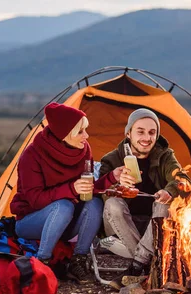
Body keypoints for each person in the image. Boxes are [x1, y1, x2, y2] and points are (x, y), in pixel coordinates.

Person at [10, 103, 124, 283]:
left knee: (94, 202)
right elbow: (35, 200)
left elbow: (87, 188)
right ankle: (42, 263)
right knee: (63, 206)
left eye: (85, 130)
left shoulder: (83, 150)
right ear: (64, 134)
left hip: (67, 221)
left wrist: (111, 177)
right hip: (30, 221)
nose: (86, 136)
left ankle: (78, 260)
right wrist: (72, 189)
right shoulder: (31, 156)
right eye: (80, 132)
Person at [99, 108, 191, 290]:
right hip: (121, 227)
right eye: (140, 131)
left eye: (152, 132)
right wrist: (116, 185)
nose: (146, 138)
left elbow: (183, 179)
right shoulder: (112, 159)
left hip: (154, 227)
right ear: (128, 133)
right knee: (113, 203)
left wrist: (169, 191)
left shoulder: (165, 156)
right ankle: (149, 263)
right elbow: (100, 192)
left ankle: (137, 267)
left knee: (163, 203)